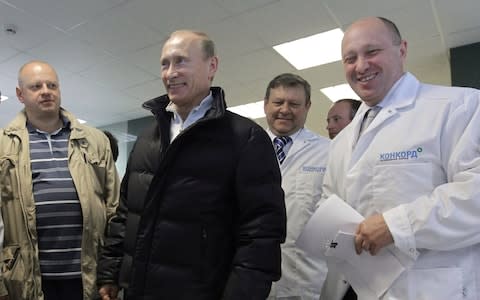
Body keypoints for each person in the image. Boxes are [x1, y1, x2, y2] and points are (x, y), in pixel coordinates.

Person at [96, 30, 286, 300]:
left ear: (212, 67)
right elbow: (126, 213)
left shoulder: (246, 139)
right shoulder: (148, 138)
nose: (170, 72)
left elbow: (261, 236)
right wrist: (110, 272)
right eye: (165, 63)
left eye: (181, 61)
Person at [321, 16, 480, 299]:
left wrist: (397, 225)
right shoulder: (341, 142)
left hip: (430, 287)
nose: (360, 66)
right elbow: (332, 201)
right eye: (350, 58)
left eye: (372, 52)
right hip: (359, 286)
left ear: (402, 50)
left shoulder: (458, 107)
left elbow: (475, 194)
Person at [0, 60, 120, 300]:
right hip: (28, 279)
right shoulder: (4, 146)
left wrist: (111, 274)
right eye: (36, 86)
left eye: (51, 85)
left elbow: (114, 210)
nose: (46, 90)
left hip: (88, 275)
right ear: (20, 94)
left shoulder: (95, 140)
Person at [263, 73, 329, 300]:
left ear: (308, 107)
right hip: (253, 277)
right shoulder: (244, 149)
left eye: (294, 104)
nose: (284, 109)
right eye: (278, 102)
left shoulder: (329, 152)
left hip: (306, 279)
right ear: (266, 105)